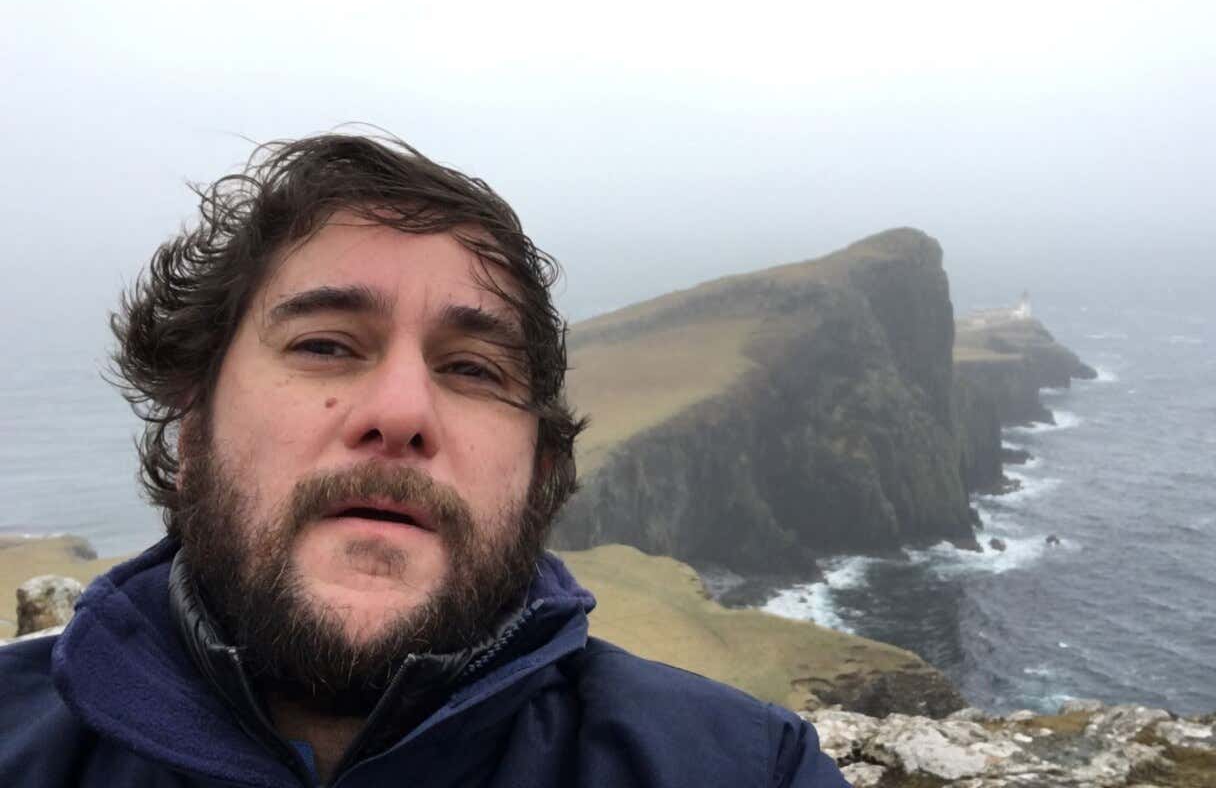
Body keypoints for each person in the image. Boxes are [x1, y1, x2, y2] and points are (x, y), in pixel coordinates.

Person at [0, 134, 845, 787]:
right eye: (327, 345)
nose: (401, 413)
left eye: (473, 368)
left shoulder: (748, 768)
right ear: (191, 434)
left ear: (541, 474)